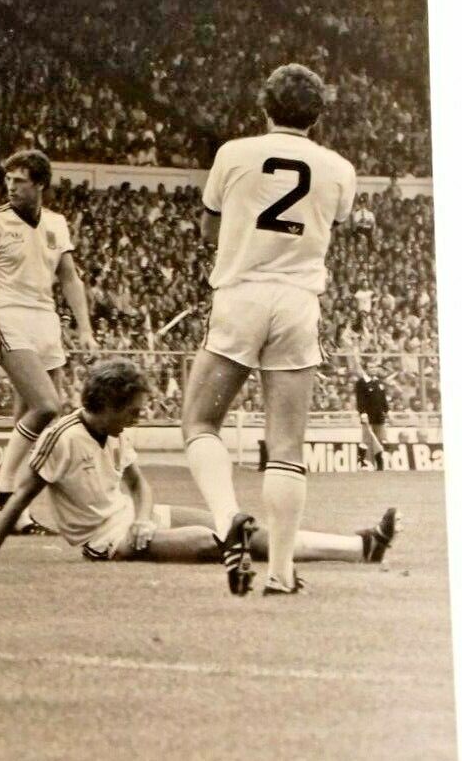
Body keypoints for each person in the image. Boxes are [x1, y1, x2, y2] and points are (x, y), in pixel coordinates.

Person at [181, 63, 357, 596]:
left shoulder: (233, 153)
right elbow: (336, 224)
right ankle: (281, 572)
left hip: (241, 295)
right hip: (299, 302)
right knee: (286, 447)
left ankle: (227, 517)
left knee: (200, 422)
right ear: (319, 114)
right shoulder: (339, 168)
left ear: (265, 105)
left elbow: (210, 226)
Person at [0, 360, 400, 567]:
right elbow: (20, 498)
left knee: (234, 525)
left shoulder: (114, 433)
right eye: (132, 411)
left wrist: (141, 518)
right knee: (216, 540)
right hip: (104, 540)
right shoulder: (62, 438)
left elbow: (139, 485)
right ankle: (352, 550)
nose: (138, 418)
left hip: (131, 521)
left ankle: (361, 546)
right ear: (109, 406)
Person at [0, 149, 97, 534]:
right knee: (48, 405)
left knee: (35, 421)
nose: (10, 187)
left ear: (40, 184)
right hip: (7, 316)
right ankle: (1, 487)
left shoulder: (57, 224)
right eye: (8, 180)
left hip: (46, 321)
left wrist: (85, 328)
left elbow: (69, 278)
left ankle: (17, 514)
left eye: (20, 181)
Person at [350, 353, 389, 471]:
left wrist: (387, 411)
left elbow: (383, 399)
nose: (374, 369)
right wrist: (362, 413)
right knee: (366, 439)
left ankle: (380, 464)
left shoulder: (379, 382)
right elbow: (360, 399)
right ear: (366, 369)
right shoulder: (361, 383)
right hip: (368, 416)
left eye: (375, 367)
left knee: (381, 439)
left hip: (379, 415)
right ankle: (361, 462)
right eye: (371, 367)